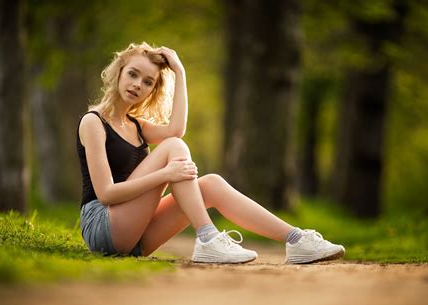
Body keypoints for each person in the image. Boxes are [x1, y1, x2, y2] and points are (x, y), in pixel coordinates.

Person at [77, 42, 345, 264]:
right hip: (104, 226)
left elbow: (176, 129)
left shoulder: (134, 125)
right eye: (133, 74)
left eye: (148, 82)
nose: (138, 85)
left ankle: (297, 240)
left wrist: (179, 72)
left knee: (210, 184)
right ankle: (207, 238)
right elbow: (106, 194)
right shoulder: (94, 122)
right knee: (173, 148)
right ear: (119, 72)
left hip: (134, 236)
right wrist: (165, 174)